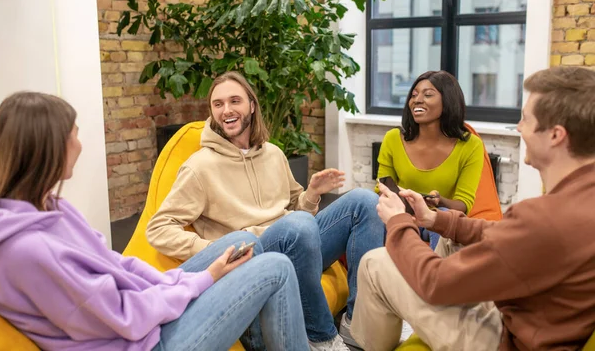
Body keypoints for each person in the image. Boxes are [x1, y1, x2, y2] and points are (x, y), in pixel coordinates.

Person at [0, 92, 309, 351]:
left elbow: (117, 266)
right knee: (277, 267)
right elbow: (122, 316)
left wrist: (184, 281)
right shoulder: (27, 249)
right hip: (142, 343)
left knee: (242, 243)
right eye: (74, 135)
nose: (80, 145)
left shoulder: (51, 207)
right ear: (50, 148)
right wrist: (201, 281)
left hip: (141, 320)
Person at [350, 66, 595, 351]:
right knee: (451, 240)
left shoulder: (545, 217)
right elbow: (508, 234)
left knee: (375, 262)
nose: (518, 128)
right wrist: (435, 220)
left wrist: (399, 222)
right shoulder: (578, 200)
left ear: (555, 135)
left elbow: (434, 282)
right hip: (530, 317)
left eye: (526, 119)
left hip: (506, 340)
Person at [146, 71, 385, 350]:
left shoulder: (272, 154)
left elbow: (299, 211)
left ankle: (356, 323)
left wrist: (312, 193)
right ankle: (321, 338)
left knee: (364, 201)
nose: (226, 110)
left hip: (298, 246)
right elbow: (159, 228)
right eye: (218, 104)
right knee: (297, 226)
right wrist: (214, 249)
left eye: (235, 101)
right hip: (256, 255)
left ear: (252, 105)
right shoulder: (199, 167)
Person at [375, 70, 484, 249]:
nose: (417, 100)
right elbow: (381, 187)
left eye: (428, 95)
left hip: (434, 218)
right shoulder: (393, 138)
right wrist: (401, 209)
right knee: (372, 209)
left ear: (447, 100)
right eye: (414, 94)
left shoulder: (471, 145)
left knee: (442, 215)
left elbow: (463, 205)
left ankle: (434, 275)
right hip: (401, 214)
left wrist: (439, 201)